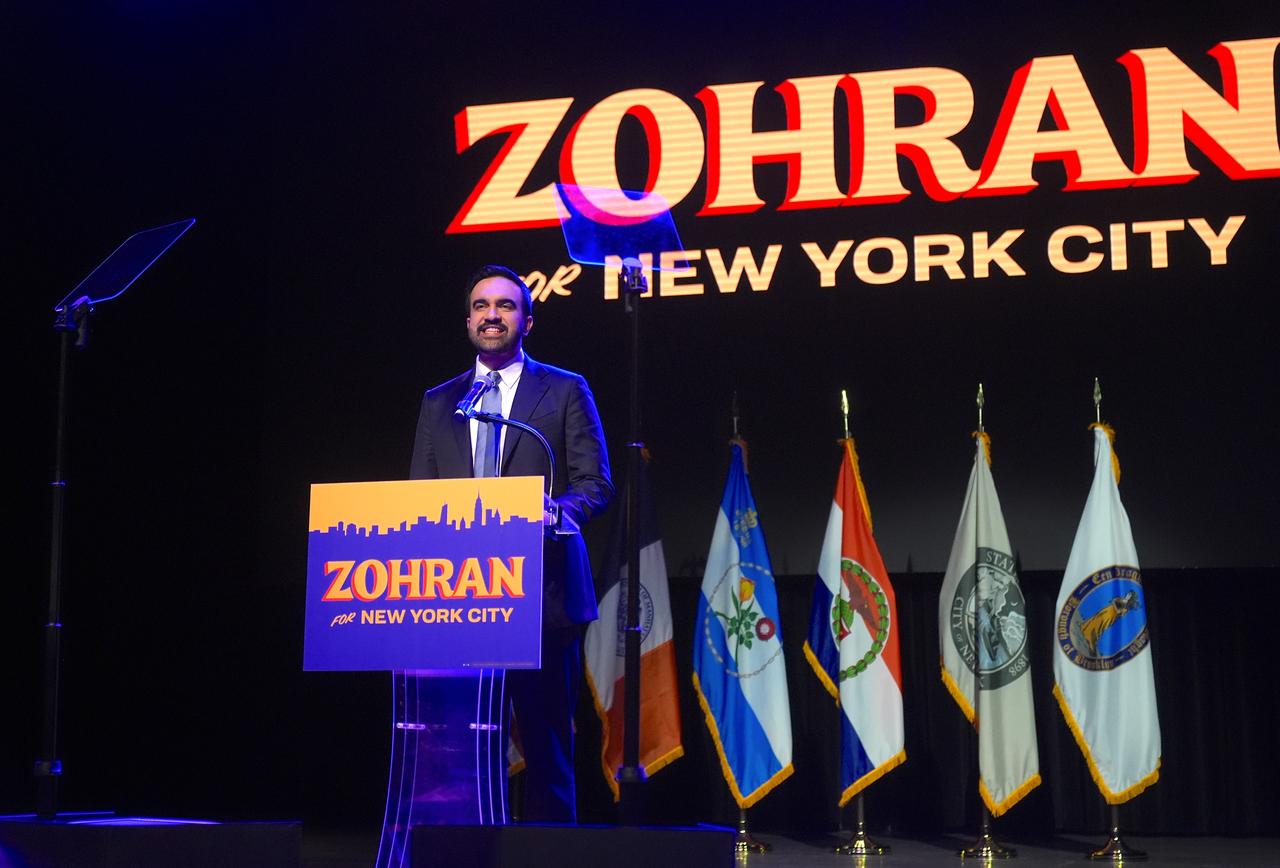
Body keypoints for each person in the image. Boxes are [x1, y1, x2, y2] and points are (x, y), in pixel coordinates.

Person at [410, 264, 612, 823]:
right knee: (463, 755)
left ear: (527, 320)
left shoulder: (566, 389)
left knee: (548, 752)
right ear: (469, 319)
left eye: (504, 306)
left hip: (542, 600)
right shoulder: (440, 400)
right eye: (480, 306)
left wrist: (555, 510)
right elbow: (418, 497)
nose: (491, 315)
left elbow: (595, 484)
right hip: (457, 601)